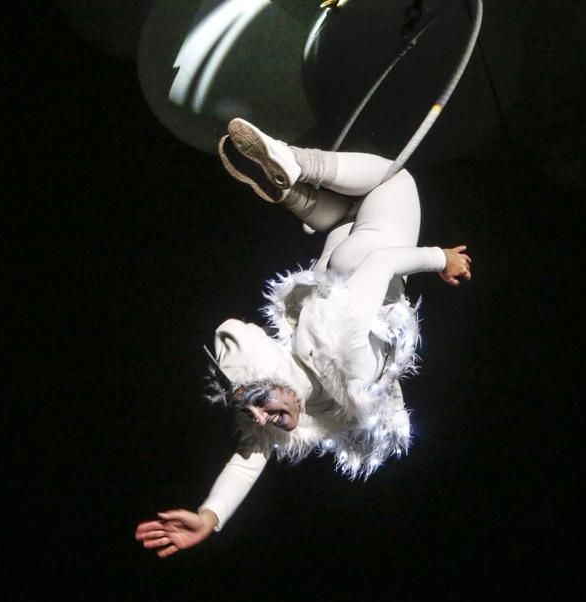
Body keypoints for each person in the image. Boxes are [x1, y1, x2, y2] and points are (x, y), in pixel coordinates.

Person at [135, 118, 472, 558]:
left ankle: (295, 163)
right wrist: (209, 517)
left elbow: (385, 264)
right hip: (336, 263)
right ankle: (293, 195)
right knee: (348, 212)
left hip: (368, 260)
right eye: (249, 408)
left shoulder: (346, 362)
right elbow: (248, 459)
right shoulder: (287, 396)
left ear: (273, 379)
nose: (257, 418)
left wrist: (439, 257)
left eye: (256, 400)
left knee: (395, 177)